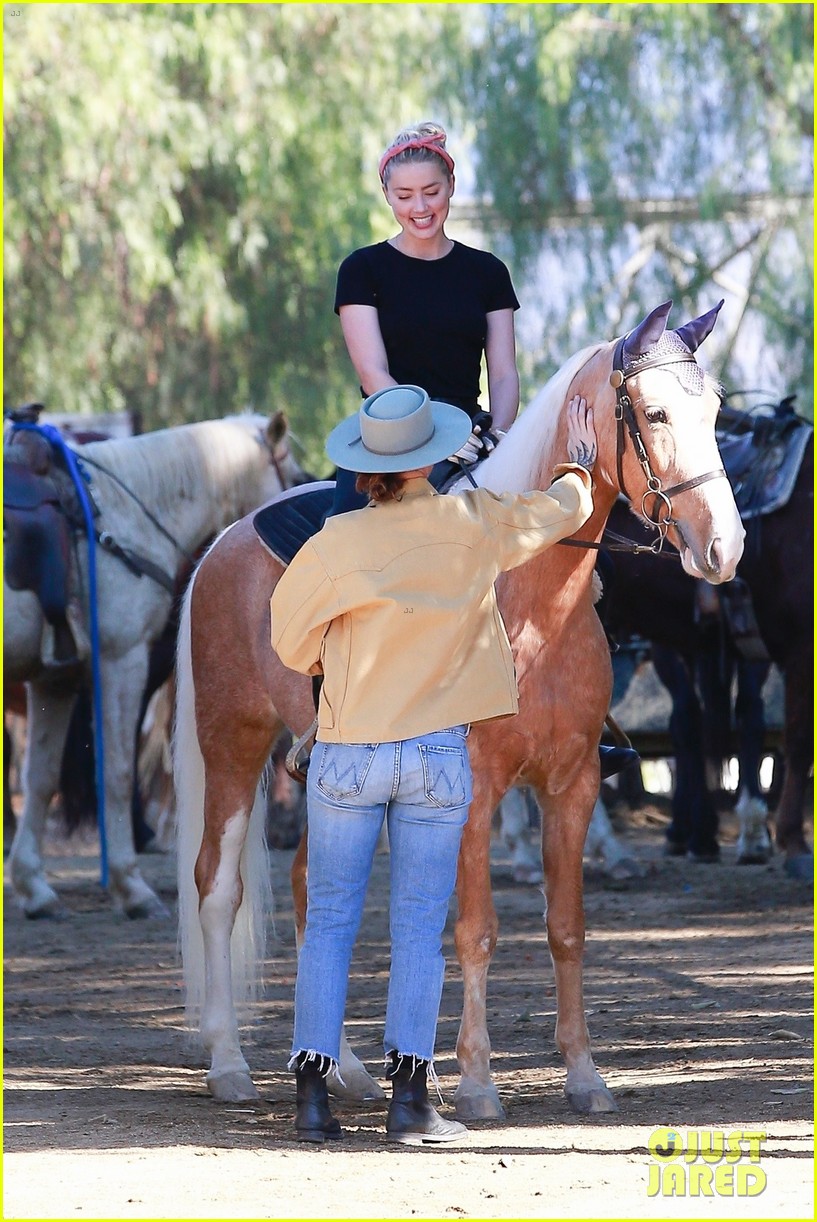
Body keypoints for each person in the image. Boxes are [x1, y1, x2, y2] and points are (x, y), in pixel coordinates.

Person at [270, 383, 598, 1144]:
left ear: (362, 469)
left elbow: (290, 646)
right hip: (436, 757)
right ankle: (411, 1103)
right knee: (420, 928)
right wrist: (577, 463)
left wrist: (344, 649)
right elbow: (561, 513)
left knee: (328, 927)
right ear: (434, 458)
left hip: (348, 752)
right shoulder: (473, 522)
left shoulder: (335, 543)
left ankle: (313, 1102)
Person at [332, 120, 520, 512]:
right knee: (345, 542)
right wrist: (434, 433)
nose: (420, 208)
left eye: (431, 192)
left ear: (450, 184)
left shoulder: (488, 272)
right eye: (404, 195)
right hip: (388, 439)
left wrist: (501, 437)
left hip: (471, 435)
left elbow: (502, 374)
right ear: (386, 195)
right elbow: (372, 374)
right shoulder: (361, 269)